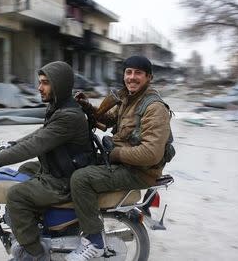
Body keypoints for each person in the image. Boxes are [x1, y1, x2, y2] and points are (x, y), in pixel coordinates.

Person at [66, 55, 172, 261]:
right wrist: (88, 107)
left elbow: (151, 153)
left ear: (149, 77)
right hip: (124, 162)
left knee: (80, 179)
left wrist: (113, 153)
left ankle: (94, 241)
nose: (132, 77)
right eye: (128, 72)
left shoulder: (154, 107)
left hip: (140, 171)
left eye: (138, 73)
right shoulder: (127, 99)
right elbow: (106, 119)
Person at [0, 61, 92, 261]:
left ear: (58, 85)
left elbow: (34, 145)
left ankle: (34, 253)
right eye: (39, 82)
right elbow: (38, 135)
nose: (39, 88)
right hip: (62, 168)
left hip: (66, 178)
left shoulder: (68, 115)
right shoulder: (60, 107)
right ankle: (41, 224)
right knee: (26, 169)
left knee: (16, 195)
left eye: (45, 83)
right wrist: (9, 145)